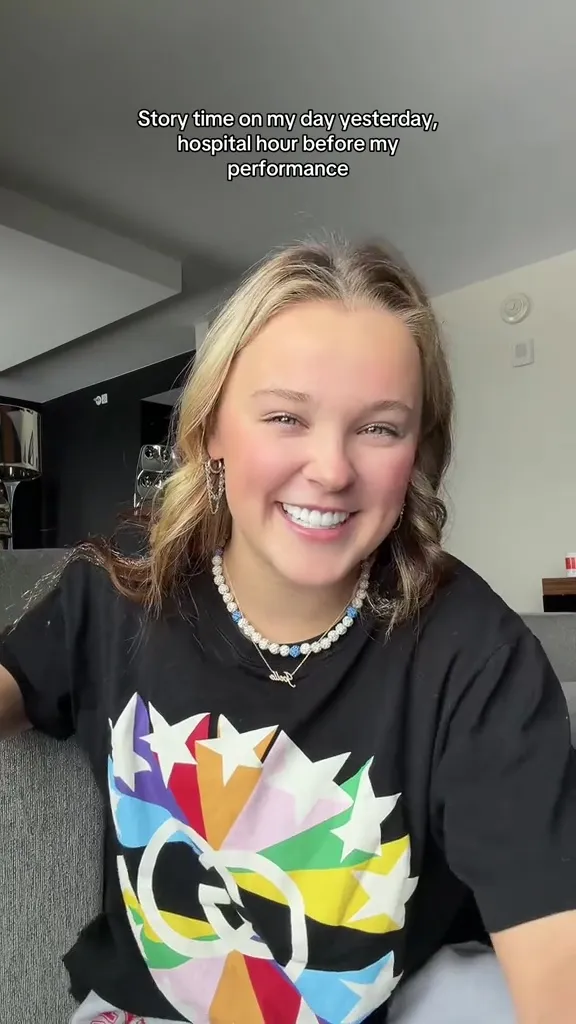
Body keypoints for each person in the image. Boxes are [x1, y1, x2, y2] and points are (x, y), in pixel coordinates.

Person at [0, 237, 575, 1024]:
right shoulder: (120, 588)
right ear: (209, 434)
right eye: (283, 416)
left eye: (379, 428)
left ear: (418, 453)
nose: (332, 469)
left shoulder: (475, 651)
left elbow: (553, 953)